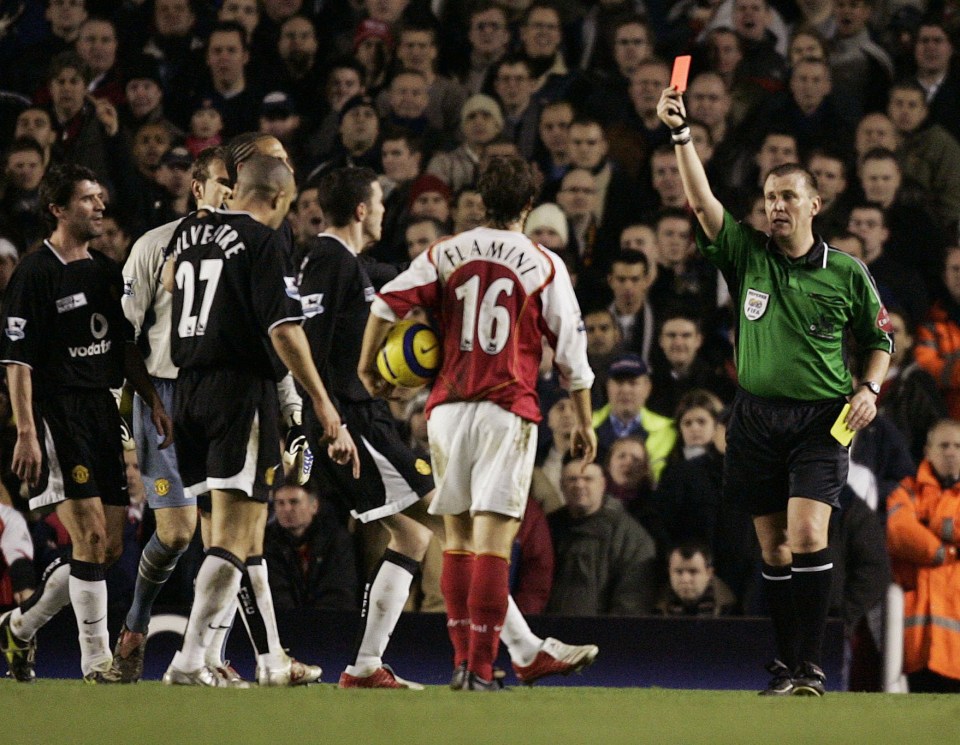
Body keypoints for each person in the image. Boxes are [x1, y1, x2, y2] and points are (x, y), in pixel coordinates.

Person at [657, 85, 893, 696]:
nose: (776, 206)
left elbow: (880, 341)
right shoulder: (748, 256)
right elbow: (704, 202)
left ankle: (813, 666)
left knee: (809, 534)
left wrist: (868, 387)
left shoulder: (846, 272)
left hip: (823, 420)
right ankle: (789, 666)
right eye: (768, 198)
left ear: (815, 203)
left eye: (788, 196)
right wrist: (681, 136)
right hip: (755, 419)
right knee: (773, 547)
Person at [358, 155, 599, 691]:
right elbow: (573, 354)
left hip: (446, 410)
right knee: (493, 543)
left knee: (459, 540)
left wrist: (366, 365)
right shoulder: (543, 263)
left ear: (481, 203)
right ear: (528, 206)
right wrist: (584, 421)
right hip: (505, 409)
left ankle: (465, 663)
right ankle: (482, 669)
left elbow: (386, 303)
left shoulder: (445, 251)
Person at [159, 154, 353, 688]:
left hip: (188, 390)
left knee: (226, 537)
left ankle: (261, 659)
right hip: (239, 391)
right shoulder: (265, 242)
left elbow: (174, 284)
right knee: (236, 535)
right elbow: (286, 332)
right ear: (279, 198)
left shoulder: (190, 235)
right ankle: (188, 661)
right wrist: (320, 401)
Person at [0, 163, 173, 683]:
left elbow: (123, 347)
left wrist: (151, 399)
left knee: (107, 547)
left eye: (101, 197)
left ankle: (19, 628)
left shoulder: (103, 269)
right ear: (58, 209)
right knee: (92, 537)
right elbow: (17, 359)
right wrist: (27, 431)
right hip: (58, 413)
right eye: (88, 198)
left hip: (103, 410)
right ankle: (94, 661)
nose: (100, 206)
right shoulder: (36, 272)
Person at [887, 419, 960, 693]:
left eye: (957, 446)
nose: (951, 452)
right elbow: (899, 532)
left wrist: (936, 523)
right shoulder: (905, 489)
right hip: (919, 641)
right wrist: (944, 551)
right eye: (944, 445)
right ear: (927, 451)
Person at [547, 455, 659, 617]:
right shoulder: (548, 528)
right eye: (572, 479)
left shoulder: (630, 537)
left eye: (587, 479)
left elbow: (633, 597)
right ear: (561, 485)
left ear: (603, 484)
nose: (579, 485)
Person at [262, 479, 358, 610]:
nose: (287, 509)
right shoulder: (266, 542)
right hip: (284, 623)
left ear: (314, 506)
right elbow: (275, 593)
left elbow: (340, 590)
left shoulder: (336, 539)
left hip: (330, 620)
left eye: (294, 502)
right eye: (280, 503)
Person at [654, 541, 737, 617]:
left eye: (693, 572)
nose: (685, 579)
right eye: (679, 572)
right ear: (669, 573)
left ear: (709, 573)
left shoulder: (730, 610)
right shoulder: (655, 607)